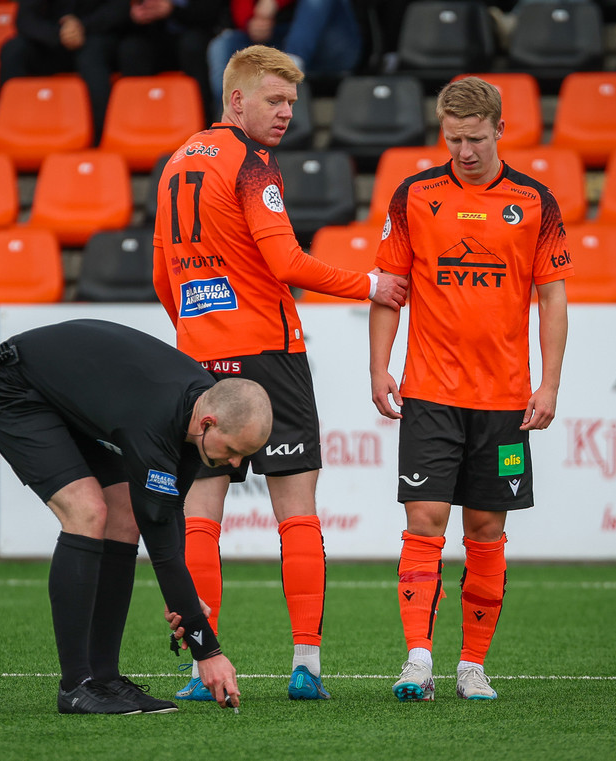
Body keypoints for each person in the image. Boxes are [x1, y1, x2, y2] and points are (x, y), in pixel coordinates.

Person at [152, 44, 407, 702]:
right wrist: (371, 284)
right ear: (237, 100)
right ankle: (306, 666)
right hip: (269, 353)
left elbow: (161, 276)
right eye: (274, 100)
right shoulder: (252, 164)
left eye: (292, 101)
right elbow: (288, 262)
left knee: (199, 516)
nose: (287, 112)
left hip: (198, 360)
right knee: (296, 514)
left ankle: (200, 668)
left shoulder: (176, 161)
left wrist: (200, 331)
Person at [368, 76, 573, 702]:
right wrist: (379, 367)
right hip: (431, 391)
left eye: (476, 139)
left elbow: (552, 296)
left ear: (499, 131)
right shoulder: (414, 196)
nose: (464, 151)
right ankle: (418, 660)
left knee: (485, 528)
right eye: (453, 139)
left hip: (505, 400)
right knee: (424, 519)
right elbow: (389, 287)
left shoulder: (535, 202)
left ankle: (472, 666)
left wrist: (549, 383)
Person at [0, 318, 273, 714]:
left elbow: (167, 510)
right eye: (232, 450)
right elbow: (160, 537)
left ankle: (105, 677)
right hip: (12, 387)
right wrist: (207, 651)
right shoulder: (155, 419)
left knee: (125, 517)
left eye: (243, 456)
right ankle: (75, 686)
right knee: (87, 510)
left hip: (66, 398)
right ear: (208, 423)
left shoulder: (196, 412)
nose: (234, 463)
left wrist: (182, 596)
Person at [0, 0, 126, 144]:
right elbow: (25, 19)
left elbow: (119, 8)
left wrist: (82, 26)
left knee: (93, 58)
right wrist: (59, 34)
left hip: (96, 37)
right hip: (51, 41)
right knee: (13, 50)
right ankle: (13, 126)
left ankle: (100, 138)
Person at [206, 0, 363, 110]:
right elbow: (242, 9)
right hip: (276, 41)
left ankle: (288, 68)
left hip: (329, 46)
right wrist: (251, 22)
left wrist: (273, 2)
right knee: (222, 44)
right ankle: (231, 114)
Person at [115, 0, 224, 126]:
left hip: (196, 35)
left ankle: (203, 123)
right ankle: (133, 123)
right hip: (153, 34)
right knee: (132, 49)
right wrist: (135, 13)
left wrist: (173, 10)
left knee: (193, 46)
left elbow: (213, 14)